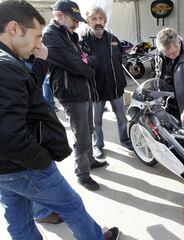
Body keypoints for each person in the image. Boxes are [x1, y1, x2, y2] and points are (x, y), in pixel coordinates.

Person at [0, 1, 120, 239]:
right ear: (14, 28)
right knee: (72, 206)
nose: (38, 44)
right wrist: (42, 161)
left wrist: (44, 61)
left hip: (7, 169)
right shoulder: (6, 66)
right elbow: (8, 136)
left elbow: (26, 89)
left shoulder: (10, 61)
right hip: (25, 166)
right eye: (36, 36)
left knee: (19, 219)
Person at [42, 0, 108, 191]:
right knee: (82, 136)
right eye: (74, 19)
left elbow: (86, 59)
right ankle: (82, 174)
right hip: (71, 93)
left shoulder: (68, 34)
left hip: (82, 88)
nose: (78, 24)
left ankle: (90, 161)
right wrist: (87, 65)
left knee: (89, 128)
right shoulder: (52, 35)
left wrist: (86, 63)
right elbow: (80, 65)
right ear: (59, 15)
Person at [81, 5, 132, 159]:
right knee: (96, 122)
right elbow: (82, 64)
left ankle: (124, 139)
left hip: (116, 87)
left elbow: (122, 58)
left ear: (105, 21)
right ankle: (98, 146)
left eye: (100, 18)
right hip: (96, 90)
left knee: (122, 118)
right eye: (94, 19)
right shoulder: (84, 42)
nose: (98, 22)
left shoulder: (113, 39)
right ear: (88, 21)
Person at [155, 27, 184, 125]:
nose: (171, 57)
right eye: (167, 54)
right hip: (165, 101)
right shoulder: (160, 53)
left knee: (182, 137)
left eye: (173, 53)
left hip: (182, 105)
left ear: (179, 43)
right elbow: (158, 74)